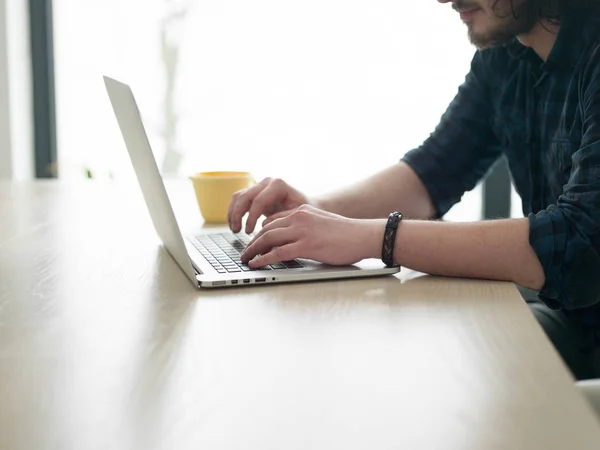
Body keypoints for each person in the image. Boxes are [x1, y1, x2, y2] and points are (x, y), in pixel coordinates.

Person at [227, 0, 600, 380]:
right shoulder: (506, 55)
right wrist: (315, 210)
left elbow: (579, 246)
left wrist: (376, 237)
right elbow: (433, 172)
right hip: (568, 315)